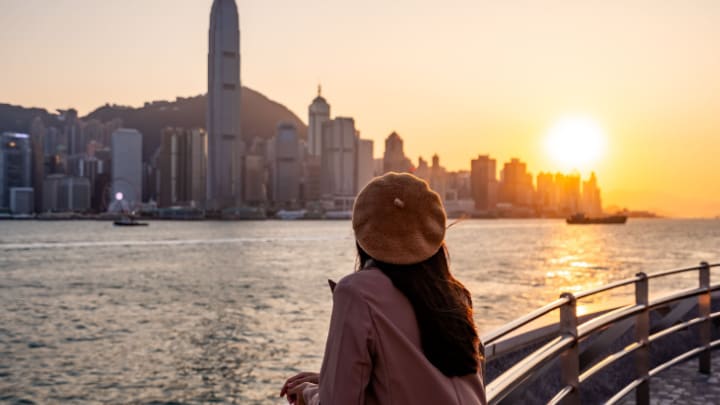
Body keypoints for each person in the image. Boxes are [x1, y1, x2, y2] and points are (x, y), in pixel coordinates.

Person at [280, 172, 486, 405]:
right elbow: (423, 382)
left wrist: (309, 393)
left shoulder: (356, 292)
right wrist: (326, 381)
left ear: (363, 236)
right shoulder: (454, 295)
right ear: (433, 237)